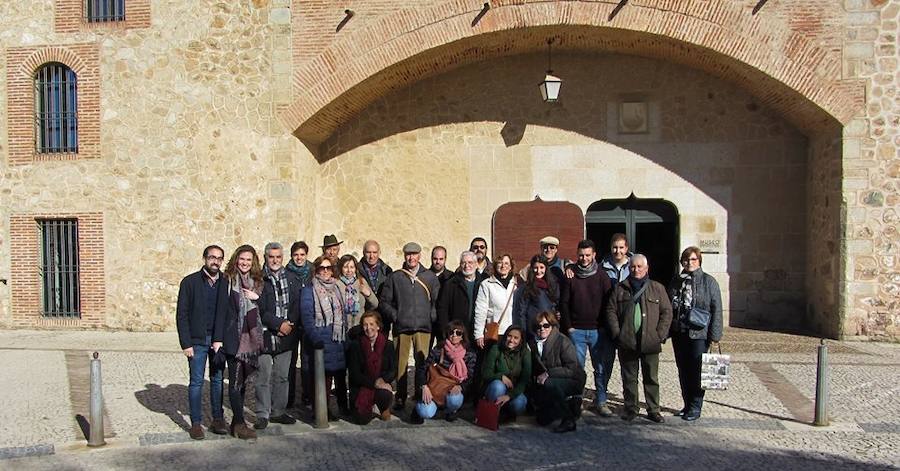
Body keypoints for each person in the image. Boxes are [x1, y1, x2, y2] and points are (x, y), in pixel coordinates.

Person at [605, 254, 673, 423]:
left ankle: (653, 409)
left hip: (650, 342)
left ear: (646, 268)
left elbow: (667, 312)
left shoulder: (657, 288)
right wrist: (617, 333)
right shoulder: (620, 288)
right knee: (629, 378)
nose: (636, 270)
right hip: (627, 341)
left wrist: (659, 335)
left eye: (639, 267)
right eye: (633, 267)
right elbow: (611, 311)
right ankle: (631, 408)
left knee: (651, 378)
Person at [378, 242, 440, 411]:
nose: (411, 257)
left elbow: (436, 301)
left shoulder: (430, 277)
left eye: (414, 254)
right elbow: (384, 302)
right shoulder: (395, 277)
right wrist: (396, 316)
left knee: (422, 363)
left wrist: (432, 316)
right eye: (408, 254)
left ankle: (421, 394)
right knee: (401, 364)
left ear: (420, 256)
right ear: (404, 256)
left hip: (423, 327)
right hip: (402, 327)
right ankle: (400, 397)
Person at [176, 245, 229, 440]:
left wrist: (221, 338)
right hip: (197, 340)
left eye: (219, 258)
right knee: (196, 382)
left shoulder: (226, 282)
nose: (215, 261)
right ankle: (196, 423)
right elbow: (182, 314)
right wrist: (186, 343)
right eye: (212, 257)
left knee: (217, 380)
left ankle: (217, 419)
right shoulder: (189, 282)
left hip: (217, 340)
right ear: (204, 258)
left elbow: (227, 313)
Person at [559, 239, 614, 417]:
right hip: (577, 331)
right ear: (577, 255)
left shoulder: (602, 276)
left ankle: (601, 401)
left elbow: (609, 303)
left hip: (598, 331)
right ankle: (577, 401)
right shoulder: (570, 275)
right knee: (577, 369)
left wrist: (604, 326)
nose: (584, 258)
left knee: (600, 369)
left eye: (588, 255)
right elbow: (564, 303)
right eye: (581, 255)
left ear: (594, 255)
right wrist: (569, 327)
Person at [668, 246, 723, 421]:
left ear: (699, 261)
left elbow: (717, 309)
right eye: (686, 259)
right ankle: (687, 404)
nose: (689, 263)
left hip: (699, 333)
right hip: (680, 332)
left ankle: (695, 406)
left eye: (693, 259)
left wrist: (715, 336)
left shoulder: (709, 282)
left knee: (697, 370)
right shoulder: (677, 281)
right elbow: (669, 306)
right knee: (683, 370)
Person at [256, 242, 301, 429]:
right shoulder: (258, 279)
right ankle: (262, 413)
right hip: (265, 336)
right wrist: (278, 324)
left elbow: (297, 305)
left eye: (278, 257)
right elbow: (259, 308)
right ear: (265, 258)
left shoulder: (292, 278)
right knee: (263, 377)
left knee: (282, 376)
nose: (275, 260)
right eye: (271, 257)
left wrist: (289, 324)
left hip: (286, 336)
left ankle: (278, 411)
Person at [221, 245, 264, 439]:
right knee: (235, 382)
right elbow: (221, 310)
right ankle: (239, 423)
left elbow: (265, 307)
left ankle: (236, 423)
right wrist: (219, 339)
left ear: (253, 262)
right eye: (242, 259)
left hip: (251, 338)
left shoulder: (257, 282)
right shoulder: (228, 280)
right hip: (234, 337)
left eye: (248, 259)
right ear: (236, 259)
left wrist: (257, 298)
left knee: (243, 381)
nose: (245, 263)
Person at [301, 255, 349, 419]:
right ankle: (321, 411)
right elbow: (307, 317)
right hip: (320, 341)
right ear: (316, 270)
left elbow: (343, 314)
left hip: (336, 340)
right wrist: (315, 338)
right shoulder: (309, 290)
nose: (326, 271)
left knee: (337, 375)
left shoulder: (336, 288)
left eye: (329, 268)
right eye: (322, 268)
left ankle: (340, 408)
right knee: (322, 379)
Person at [528, 311, 585, 433]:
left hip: (572, 379)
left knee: (549, 384)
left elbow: (572, 368)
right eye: (538, 326)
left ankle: (569, 420)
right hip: (549, 380)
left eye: (546, 325)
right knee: (541, 420)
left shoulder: (563, 341)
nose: (542, 329)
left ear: (552, 326)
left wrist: (549, 373)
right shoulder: (533, 343)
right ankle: (572, 406)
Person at [412, 320, 477, 423]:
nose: (454, 335)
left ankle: (449, 411)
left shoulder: (469, 354)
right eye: (451, 332)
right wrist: (424, 386)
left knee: (455, 399)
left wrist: (461, 387)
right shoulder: (438, 349)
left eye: (458, 333)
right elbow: (423, 369)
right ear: (447, 334)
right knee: (425, 412)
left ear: (462, 336)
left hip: (453, 389)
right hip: (434, 388)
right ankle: (420, 408)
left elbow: (470, 377)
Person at [346, 311, 396, 425]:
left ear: (378, 326)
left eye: (372, 324)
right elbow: (354, 374)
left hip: (381, 385)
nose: (369, 328)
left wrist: (383, 380)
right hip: (362, 387)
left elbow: (393, 370)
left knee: (385, 393)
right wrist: (374, 383)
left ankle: (383, 408)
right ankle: (369, 407)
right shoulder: (355, 346)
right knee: (361, 420)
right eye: (365, 325)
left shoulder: (388, 345)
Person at [481, 326, 531, 422]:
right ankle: (491, 414)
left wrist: (509, 396)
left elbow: (524, 380)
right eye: (509, 336)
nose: (511, 340)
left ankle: (507, 413)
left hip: (513, 390)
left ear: (521, 340)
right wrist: (500, 376)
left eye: (516, 338)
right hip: (495, 389)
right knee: (498, 386)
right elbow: (486, 374)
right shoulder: (496, 349)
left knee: (520, 403)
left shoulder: (525, 353)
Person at [285, 241, 313, 410]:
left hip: (308, 322)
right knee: (290, 361)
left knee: (307, 360)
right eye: (296, 255)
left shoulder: (313, 271)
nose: (299, 258)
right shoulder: (286, 272)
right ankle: (289, 397)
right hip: (292, 322)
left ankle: (307, 396)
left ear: (306, 255)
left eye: (302, 254)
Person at [473, 254, 520, 350]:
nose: (503, 266)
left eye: (506, 263)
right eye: (500, 263)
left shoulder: (517, 284)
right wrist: (478, 334)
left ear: (511, 267)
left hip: (513, 333)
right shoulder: (486, 284)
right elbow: (480, 311)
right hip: (496, 333)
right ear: (495, 265)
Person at [436, 251, 482, 342]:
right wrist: (447, 332)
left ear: (476, 264)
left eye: (470, 262)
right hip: (456, 334)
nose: (467, 265)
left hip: (478, 334)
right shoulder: (451, 284)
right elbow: (442, 309)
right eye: (463, 263)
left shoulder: (483, 282)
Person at [514, 255, 560, 339]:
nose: (538, 271)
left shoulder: (552, 286)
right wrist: (523, 333)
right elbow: (521, 312)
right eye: (535, 268)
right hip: (534, 331)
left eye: (541, 267)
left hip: (550, 329)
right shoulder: (526, 288)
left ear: (546, 268)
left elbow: (556, 304)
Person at [359, 239, 394, 336]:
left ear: (379, 253)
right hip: (364, 317)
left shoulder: (387, 271)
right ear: (363, 253)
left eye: (374, 252)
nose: (371, 256)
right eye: (368, 252)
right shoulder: (357, 270)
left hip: (382, 318)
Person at [336, 254, 379, 329]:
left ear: (355, 268)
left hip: (359, 326)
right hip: (341, 327)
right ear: (341, 268)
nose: (349, 270)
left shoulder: (361, 282)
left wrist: (369, 295)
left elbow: (375, 304)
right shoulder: (336, 284)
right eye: (345, 267)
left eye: (352, 267)